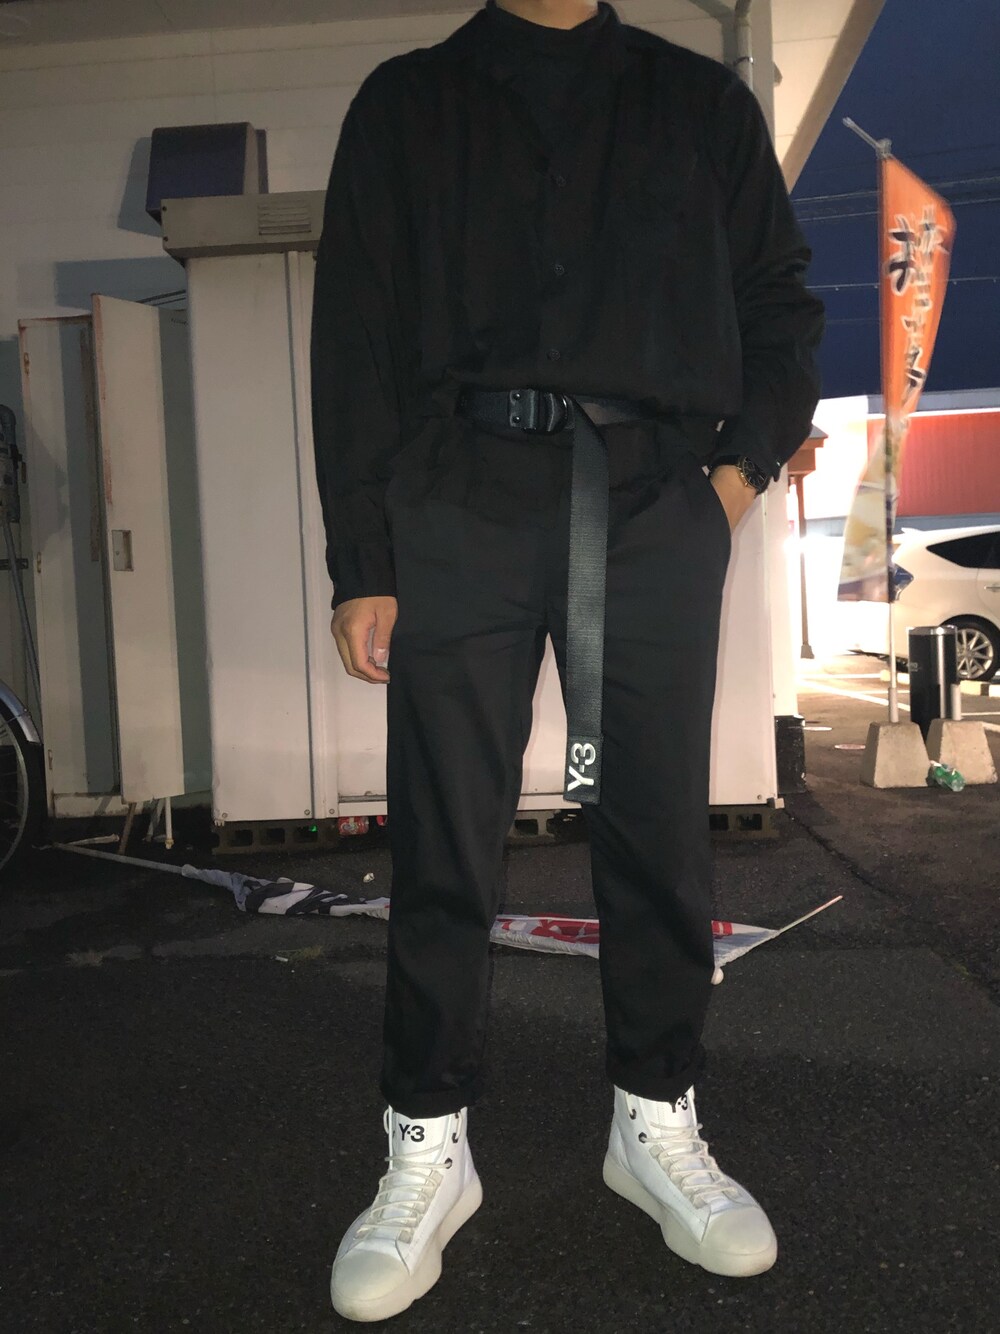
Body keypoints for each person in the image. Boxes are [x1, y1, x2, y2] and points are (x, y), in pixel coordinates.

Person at [310, 0, 824, 1321]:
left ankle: (653, 1117)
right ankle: (428, 1139)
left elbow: (781, 302)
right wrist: (363, 556)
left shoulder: (699, 106)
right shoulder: (406, 106)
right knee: (445, 836)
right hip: (459, 496)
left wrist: (731, 480)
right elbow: (355, 330)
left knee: (657, 833)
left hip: (651, 497)